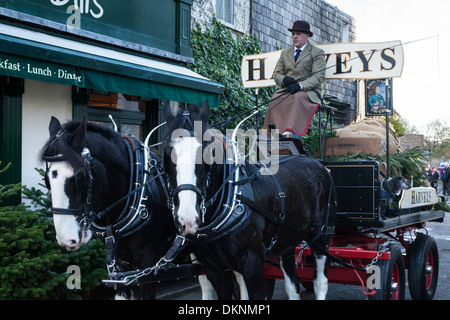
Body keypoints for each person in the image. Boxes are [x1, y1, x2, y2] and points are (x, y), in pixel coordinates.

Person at [263, 20, 326, 137]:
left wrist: (300, 86)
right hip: (288, 90)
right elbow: (277, 74)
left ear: (307, 36)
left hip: (308, 91)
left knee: (296, 98)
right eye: (293, 34)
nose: (295, 37)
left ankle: (289, 131)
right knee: (275, 99)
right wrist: (284, 79)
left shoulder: (317, 53)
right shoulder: (285, 53)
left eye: (298, 34)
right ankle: (271, 133)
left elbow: (319, 76)